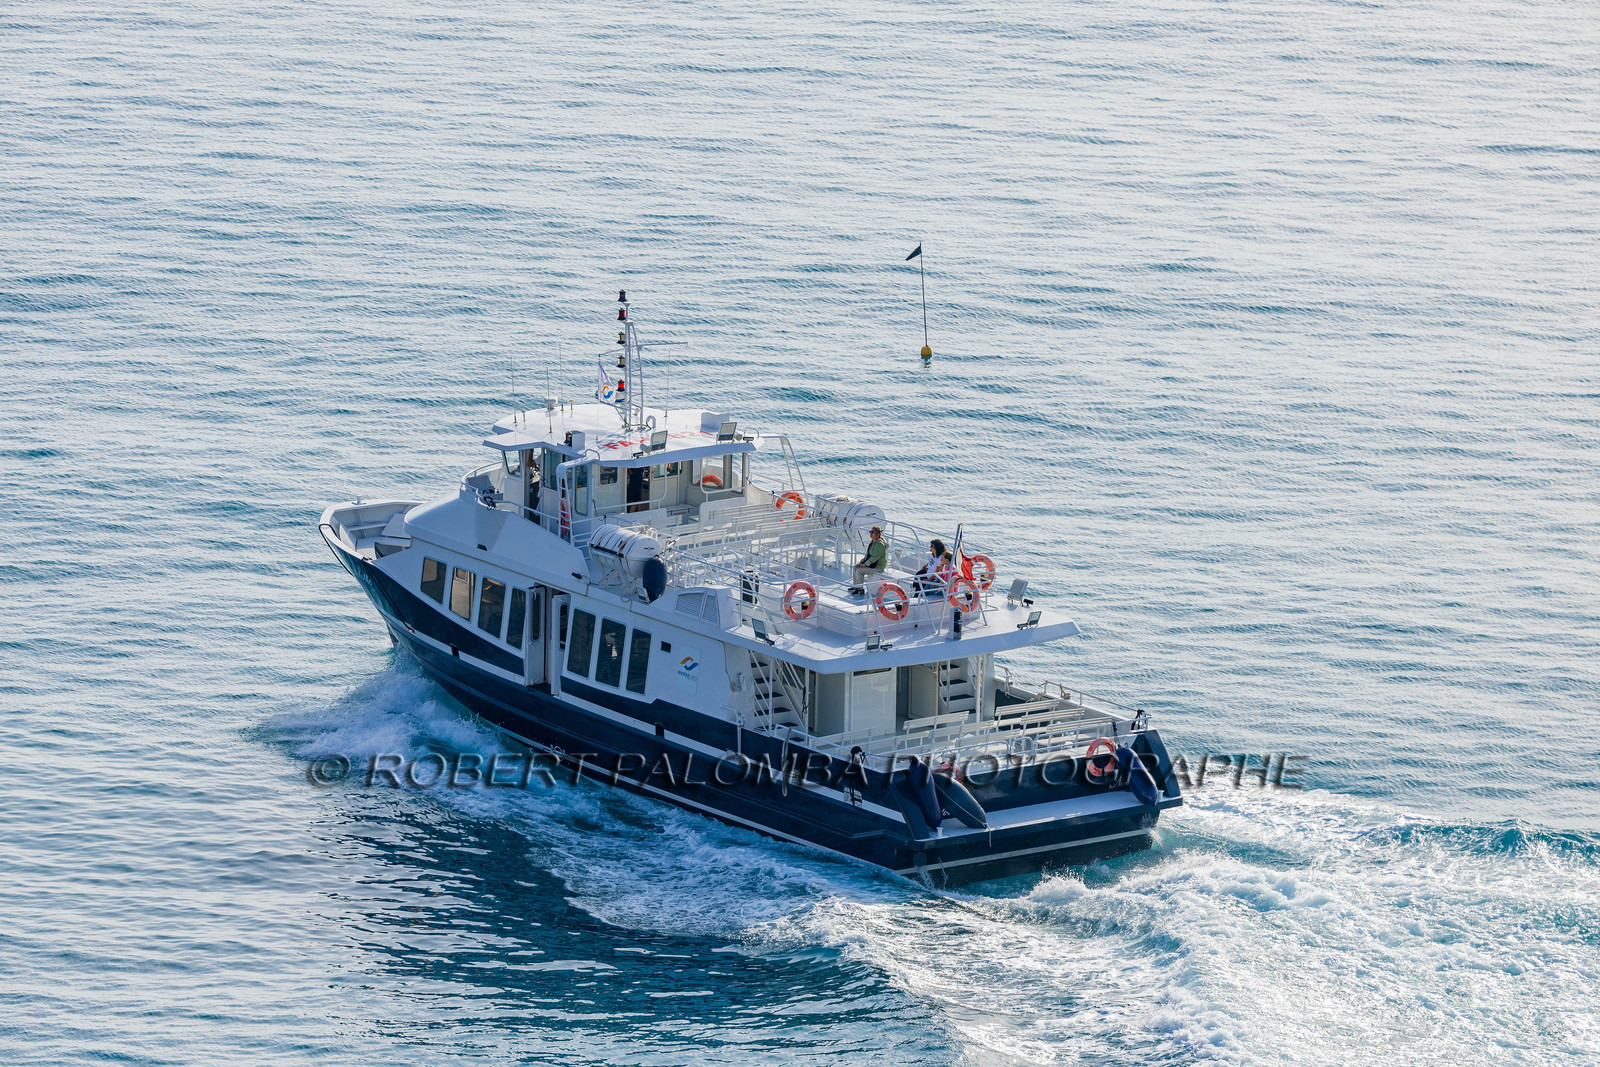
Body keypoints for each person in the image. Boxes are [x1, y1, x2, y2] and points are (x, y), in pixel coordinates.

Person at [849, 525, 889, 593]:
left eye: (872, 532)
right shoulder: (872, 542)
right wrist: (861, 562)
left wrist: (864, 565)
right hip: (871, 564)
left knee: (859, 571)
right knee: (855, 567)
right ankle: (856, 586)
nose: (870, 533)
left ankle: (860, 589)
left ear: (877, 534)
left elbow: (874, 558)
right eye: (870, 532)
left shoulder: (880, 544)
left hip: (877, 566)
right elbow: (868, 555)